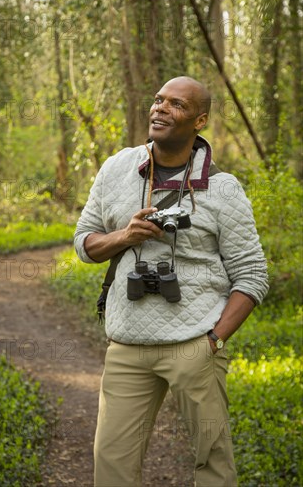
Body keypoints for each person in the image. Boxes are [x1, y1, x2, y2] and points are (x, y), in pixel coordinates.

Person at [74, 76, 269, 487]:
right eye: (158, 100)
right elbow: (84, 243)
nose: (161, 108)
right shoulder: (116, 169)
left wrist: (213, 340)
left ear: (199, 120)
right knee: (111, 464)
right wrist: (125, 236)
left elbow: (252, 275)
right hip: (127, 343)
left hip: (194, 344)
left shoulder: (223, 189)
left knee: (213, 461)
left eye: (176, 105)